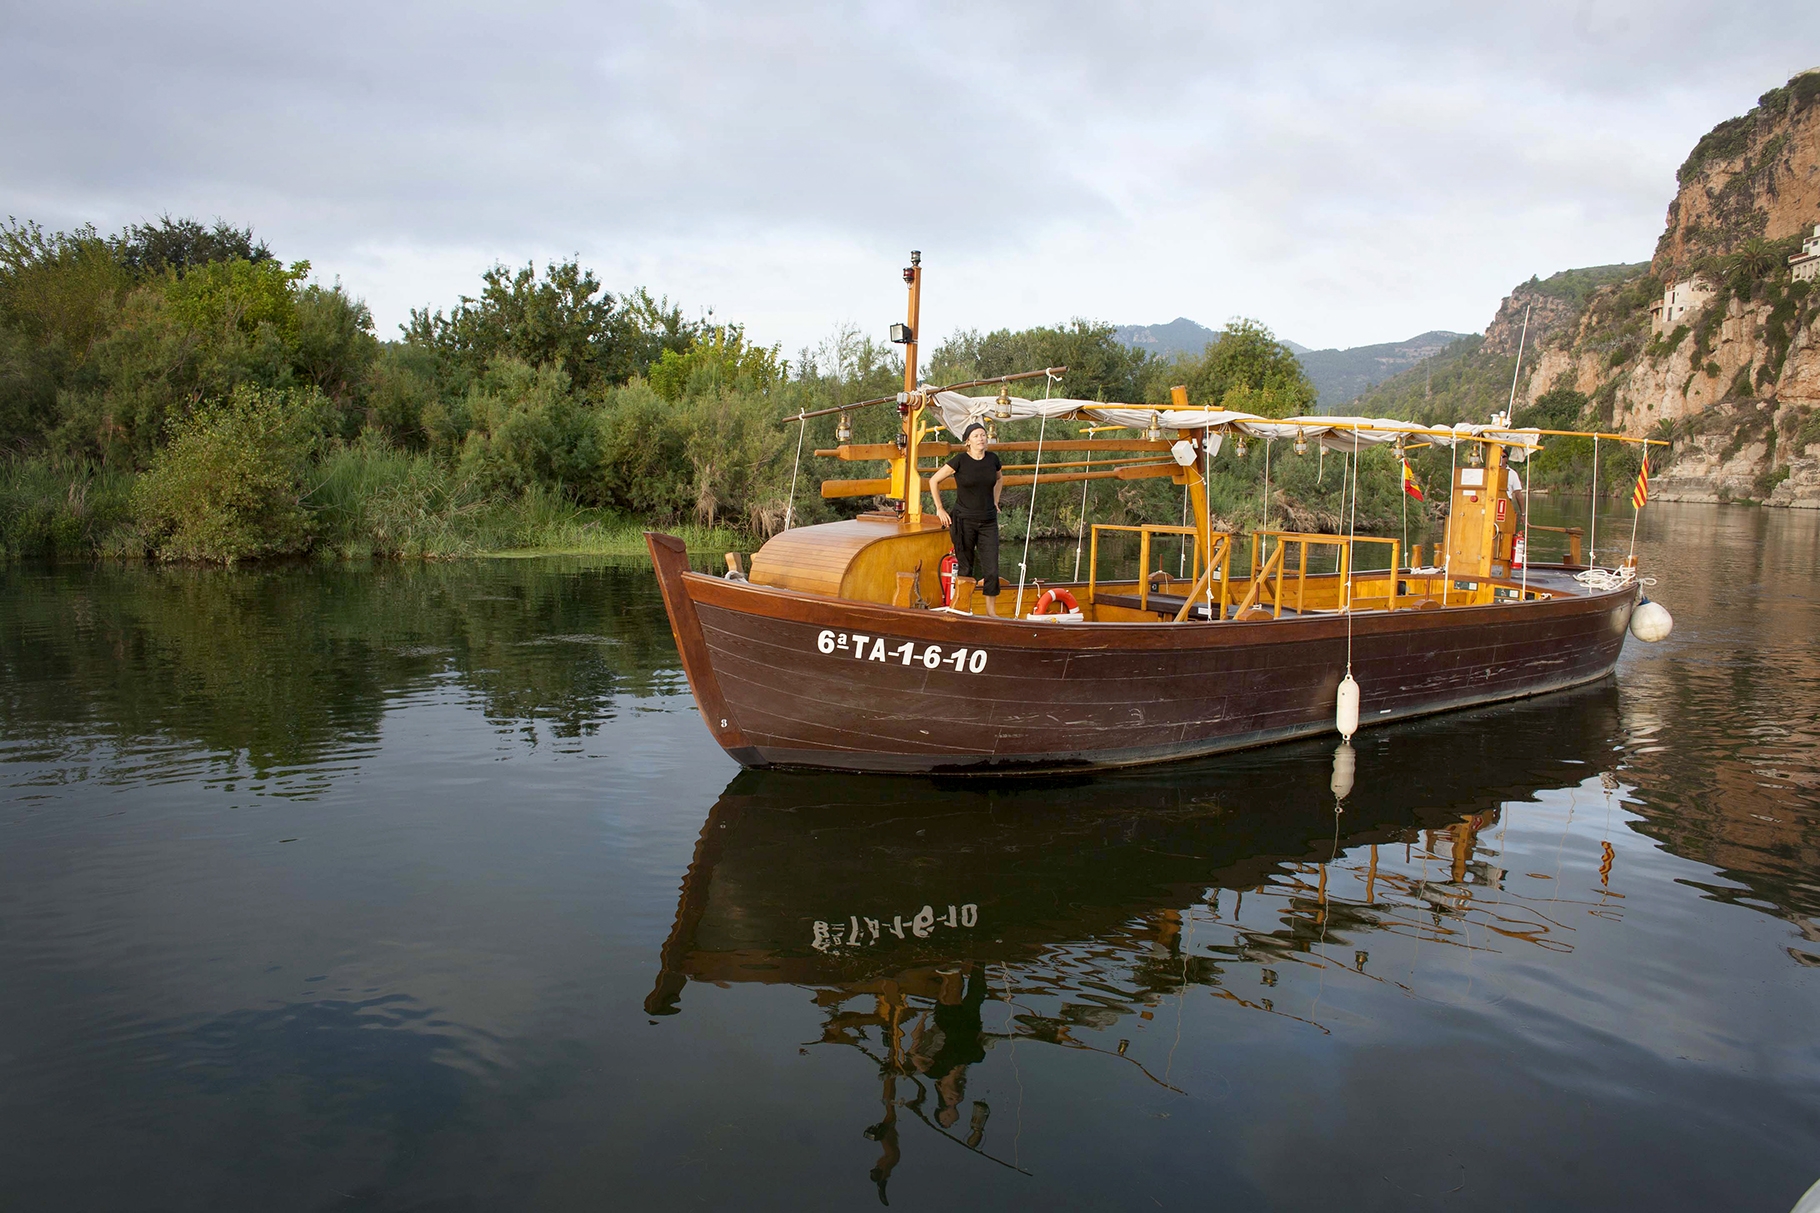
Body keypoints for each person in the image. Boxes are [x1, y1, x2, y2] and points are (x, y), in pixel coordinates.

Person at [929, 422, 1004, 615]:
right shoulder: (960, 460)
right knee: (966, 567)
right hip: (964, 521)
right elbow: (934, 481)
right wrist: (939, 509)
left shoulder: (993, 459)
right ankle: (963, 609)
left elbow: (999, 478)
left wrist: (996, 500)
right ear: (968, 441)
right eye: (976, 436)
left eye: (983, 435)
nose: (981, 438)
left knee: (992, 570)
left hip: (988, 521)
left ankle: (991, 613)